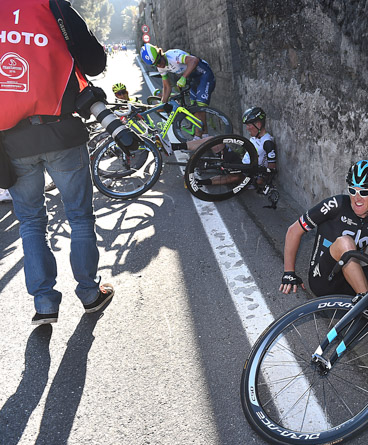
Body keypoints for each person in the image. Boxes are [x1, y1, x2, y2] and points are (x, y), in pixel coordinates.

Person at [0, 0, 114, 326]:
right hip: (62, 133)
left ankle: (45, 303)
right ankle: (90, 293)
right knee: (79, 217)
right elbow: (93, 63)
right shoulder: (53, 6)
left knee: (31, 223)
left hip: (12, 142)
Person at [280, 160, 368, 296]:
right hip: (322, 281)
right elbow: (294, 230)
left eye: (364, 192)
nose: (357, 199)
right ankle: (366, 303)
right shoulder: (335, 205)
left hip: (349, 280)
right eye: (352, 191)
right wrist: (289, 273)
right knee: (345, 243)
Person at [183, 106, 276, 188]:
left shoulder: (267, 142)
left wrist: (262, 180)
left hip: (248, 172)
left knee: (236, 177)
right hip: (240, 163)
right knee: (213, 140)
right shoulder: (255, 137)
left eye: (249, 125)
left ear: (258, 124)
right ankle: (180, 146)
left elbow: (271, 169)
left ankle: (199, 182)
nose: (247, 128)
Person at [139, 43, 216, 138]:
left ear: (160, 54)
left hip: (204, 74)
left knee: (200, 107)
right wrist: (163, 103)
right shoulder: (160, 67)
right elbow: (167, 87)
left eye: (159, 61)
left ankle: (200, 136)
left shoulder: (172, 55)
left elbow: (194, 60)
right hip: (194, 79)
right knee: (194, 108)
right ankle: (203, 136)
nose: (159, 65)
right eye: (155, 64)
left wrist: (183, 77)